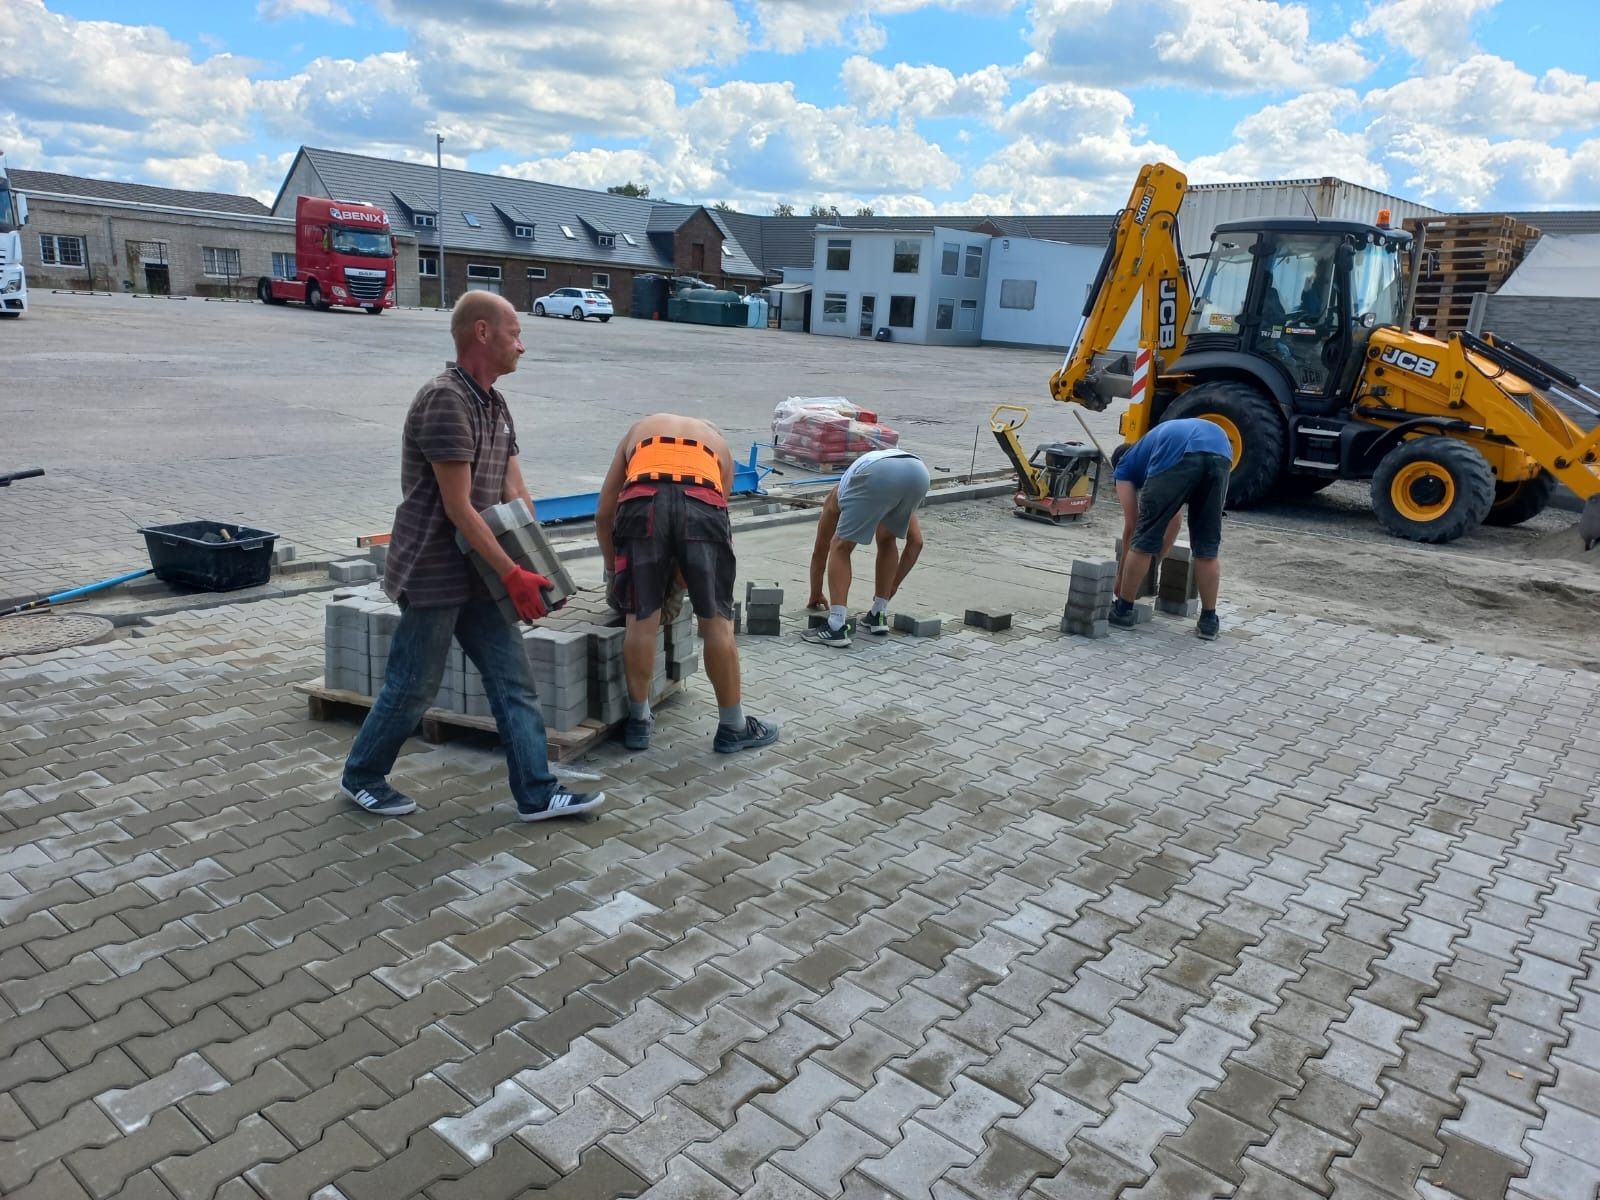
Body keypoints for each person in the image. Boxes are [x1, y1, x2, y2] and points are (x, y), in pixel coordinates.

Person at [341, 293, 604, 821]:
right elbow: (459, 509)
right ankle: (362, 776)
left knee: (513, 681)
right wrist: (514, 574)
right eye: (514, 334)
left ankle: (537, 792)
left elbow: (515, 491)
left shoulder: (495, 404)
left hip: (481, 570)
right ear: (481, 333)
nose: (522, 346)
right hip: (434, 570)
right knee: (414, 686)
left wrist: (538, 563)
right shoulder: (446, 401)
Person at [596, 414, 778, 754]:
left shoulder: (638, 431)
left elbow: (605, 513)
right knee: (716, 621)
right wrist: (681, 583)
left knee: (640, 618)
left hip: (641, 497)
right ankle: (733, 727)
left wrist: (614, 571)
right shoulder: (718, 447)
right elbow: (707, 517)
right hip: (701, 499)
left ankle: (638, 722)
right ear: (710, 429)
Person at [1110, 417, 1231, 640]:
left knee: (1144, 536)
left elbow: (1132, 528)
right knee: (1207, 546)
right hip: (1220, 449)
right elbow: (1174, 518)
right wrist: (1157, 562)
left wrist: (1120, 580)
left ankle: (1123, 609)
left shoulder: (1125, 465)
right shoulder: (1150, 449)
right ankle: (1208, 621)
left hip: (1181, 449)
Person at [802, 448, 930, 647]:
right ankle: (878, 614)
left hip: (879, 473)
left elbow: (821, 550)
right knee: (888, 539)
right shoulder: (889, 495)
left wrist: (815, 592)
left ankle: (835, 627)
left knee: (841, 546)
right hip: (918, 472)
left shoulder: (835, 498)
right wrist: (891, 588)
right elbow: (917, 543)